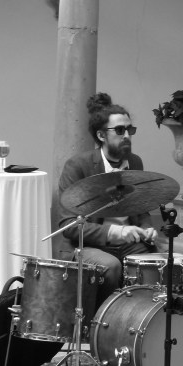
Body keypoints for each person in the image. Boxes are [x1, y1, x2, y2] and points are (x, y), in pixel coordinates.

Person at [57, 92, 159, 307]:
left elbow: (141, 209)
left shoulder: (135, 162)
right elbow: (69, 226)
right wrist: (116, 232)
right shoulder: (78, 166)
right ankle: (102, 322)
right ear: (101, 135)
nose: (127, 136)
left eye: (130, 130)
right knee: (111, 266)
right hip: (87, 246)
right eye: (120, 130)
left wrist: (147, 229)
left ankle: (138, 320)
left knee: (159, 264)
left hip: (129, 244)